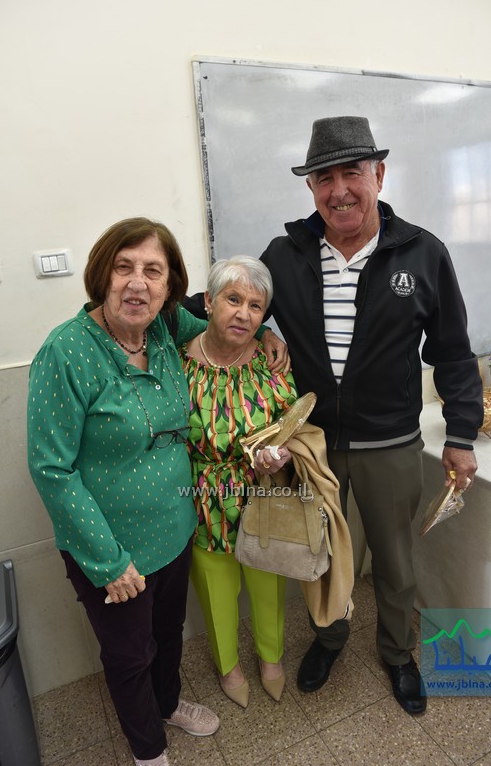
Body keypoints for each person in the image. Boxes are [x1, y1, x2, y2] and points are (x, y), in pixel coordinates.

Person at [257, 116, 484, 714]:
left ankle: (398, 652)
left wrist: (461, 435)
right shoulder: (284, 254)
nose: (339, 191)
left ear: (378, 175)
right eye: (323, 178)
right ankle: (330, 638)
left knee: (395, 560)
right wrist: (257, 333)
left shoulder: (423, 253)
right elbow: (232, 304)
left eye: (352, 173)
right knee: (323, 554)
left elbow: (453, 353)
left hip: (392, 443)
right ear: (310, 187)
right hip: (315, 444)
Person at [27, 217, 221, 766]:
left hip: (176, 529)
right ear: (101, 275)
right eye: (124, 267)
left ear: (169, 286)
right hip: (113, 550)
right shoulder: (66, 351)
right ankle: (148, 751)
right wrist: (109, 563)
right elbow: (51, 469)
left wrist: (268, 337)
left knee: (168, 632)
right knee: (130, 655)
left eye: (153, 271)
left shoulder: (165, 327)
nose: (138, 283)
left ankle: (168, 703)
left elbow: (228, 320)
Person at [179, 256, 297, 708]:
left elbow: (293, 421)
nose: (244, 314)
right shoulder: (178, 361)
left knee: (268, 584)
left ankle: (271, 659)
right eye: (233, 299)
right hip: (201, 497)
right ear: (209, 302)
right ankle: (228, 666)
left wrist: (282, 452)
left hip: (263, 494)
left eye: (255, 306)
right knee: (217, 591)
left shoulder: (271, 362)